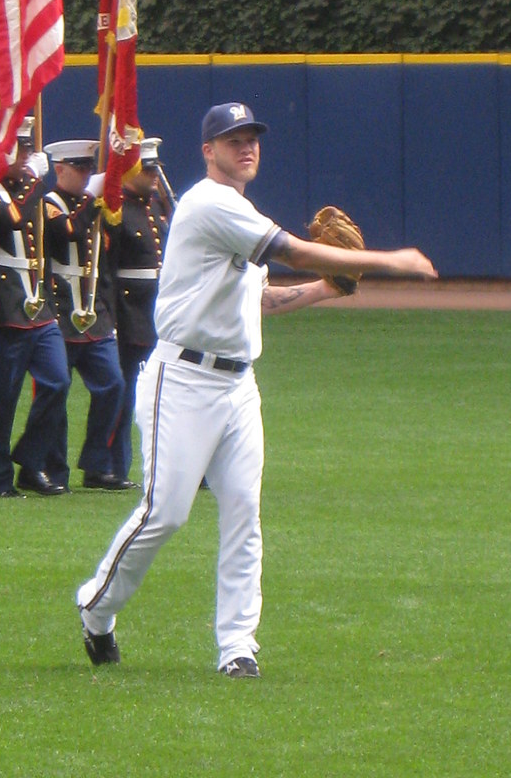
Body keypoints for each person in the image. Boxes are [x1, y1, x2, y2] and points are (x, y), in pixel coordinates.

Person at [76, 101, 438, 677]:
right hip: (182, 381)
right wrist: (389, 261)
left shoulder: (241, 210)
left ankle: (237, 647)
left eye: (252, 138)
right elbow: (293, 251)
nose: (246, 147)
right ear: (208, 151)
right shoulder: (209, 204)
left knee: (244, 513)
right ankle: (97, 609)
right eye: (233, 139)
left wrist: (327, 289)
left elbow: (261, 300)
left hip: (239, 386)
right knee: (164, 514)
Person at [0, 119, 70, 498]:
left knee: (57, 381)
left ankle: (30, 459)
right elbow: (10, 221)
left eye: (28, 148)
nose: (26, 156)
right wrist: (34, 181)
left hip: (39, 305)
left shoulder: (34, 192)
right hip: (5, 303)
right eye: (18, 149)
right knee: (5, 395)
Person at [41, 139, 126, 490]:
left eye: (89, 168)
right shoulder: (48, 205)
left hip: (95, 315)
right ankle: (53, 469)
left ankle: (96, 465)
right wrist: (92, 198)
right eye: (79, 169)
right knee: (55, 393)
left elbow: (105, 262)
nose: (86, 174)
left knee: (113, 384)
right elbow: (67, 232)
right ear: (59, 169)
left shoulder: (94, 208)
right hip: (60, 312)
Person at [105, 137, 169, 490]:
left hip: (158, 310)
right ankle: (115, 466)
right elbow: (108, 271)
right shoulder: (117, 211)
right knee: (127, 394)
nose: (154, 175)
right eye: (147, 169)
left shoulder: (154, 206)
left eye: (156, 168)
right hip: (130, 313)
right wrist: (114, 318)